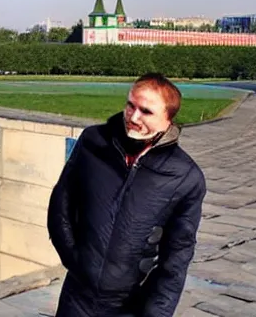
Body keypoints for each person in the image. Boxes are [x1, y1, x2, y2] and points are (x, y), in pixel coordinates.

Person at [47, 72, 206, 317]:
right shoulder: (93, 141)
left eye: (146, 111)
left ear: (169, 118)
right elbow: (62, 203)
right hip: (76, 297)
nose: (133, 116)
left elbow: (176, 257)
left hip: (128, 305)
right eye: (130, 105)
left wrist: (156, 313)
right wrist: (74, 259)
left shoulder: (185, 177)